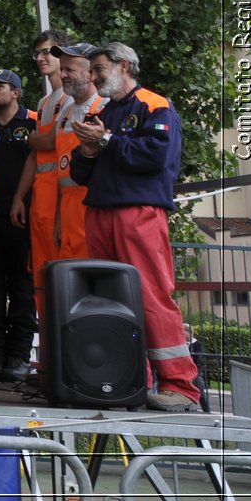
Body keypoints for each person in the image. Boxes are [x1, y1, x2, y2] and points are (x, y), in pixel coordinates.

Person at [70, 42, 202, 412]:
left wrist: (106, 141)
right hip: (99, 212)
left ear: (124, 65)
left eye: (98, 69)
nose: (93, 77)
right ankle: (130, 380)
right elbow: (82, 172)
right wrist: (90, 151)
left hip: (139, 212)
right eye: (92, 71)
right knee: (109, 301)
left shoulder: (155, 105)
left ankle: (180, 385)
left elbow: (156, 157)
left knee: (150, 296)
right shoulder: (102, 112)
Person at [14, 40, 101, 325]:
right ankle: (55, 356)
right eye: (62, 68)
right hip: (56, 206)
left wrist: (28, 138)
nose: (63, 74)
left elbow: (47, 144)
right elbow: (45, 153)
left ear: (91, 72)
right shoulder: (56, 106)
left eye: (69, 68)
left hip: (87, 210)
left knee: (85, 286)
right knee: (53, 281)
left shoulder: (102, 105)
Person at [0, 68, 38, 382]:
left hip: (24, 219)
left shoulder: (35, 122)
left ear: (15, 92)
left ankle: (19, 357)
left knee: (23, 289)